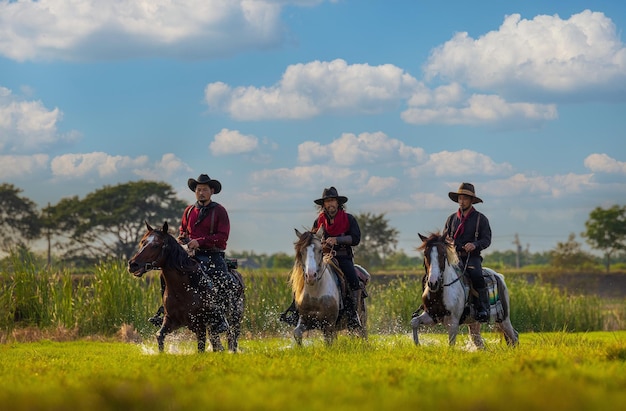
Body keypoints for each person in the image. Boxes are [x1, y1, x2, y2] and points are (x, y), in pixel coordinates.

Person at [148, 173, 229, 333]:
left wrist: (199, 241)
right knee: (165, 275)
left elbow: (222, 236)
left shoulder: (220, 211)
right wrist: (183, 241)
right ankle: (165, 311)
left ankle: (220, 318)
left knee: (221, 278)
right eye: (198, 190)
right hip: (190, 255)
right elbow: (182, 231)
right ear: (195, 192)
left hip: (213, 255)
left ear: (211, 191)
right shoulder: (188, 210)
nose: (201, 193)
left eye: (204, 189)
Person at [280, 187, 363, 331]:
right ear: (323, 204)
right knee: (301, 275)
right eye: (327, 201)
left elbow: (355, 238)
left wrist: (337, 240)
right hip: (322, 256)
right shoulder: (318, 221)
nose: (330, 204)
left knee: (353, 280)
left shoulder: (349, 219)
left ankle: (353, 314)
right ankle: (296, 309)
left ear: (338, 203)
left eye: (333, 201)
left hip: (343, 257)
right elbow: (312, 239)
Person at [443, 182, 492, 322]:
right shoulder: (451, 219)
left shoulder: (480, 219)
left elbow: (487, 239)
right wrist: (448, 242)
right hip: (453, 257)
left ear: (471, 200)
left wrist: (475, 245)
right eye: (460, 198)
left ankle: (483, 308)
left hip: (472, 258)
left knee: (476, 275)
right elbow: (444, 238)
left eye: (465, 198)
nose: (461, 201)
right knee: (437, 275)